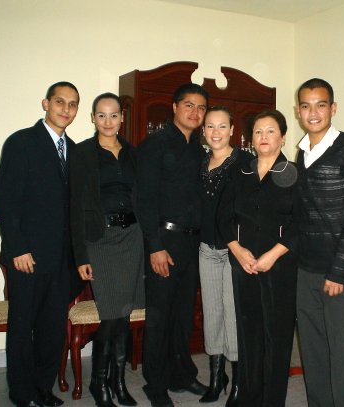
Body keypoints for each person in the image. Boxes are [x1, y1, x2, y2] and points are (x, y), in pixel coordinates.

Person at [0, 81, 79, 407]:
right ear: (45, 103)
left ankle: (43, 388)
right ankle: (21, 392)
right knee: (22, 326)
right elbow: (7, 199)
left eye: (72, 104)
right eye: (60, 101)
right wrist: (17, 248)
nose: (65, 109)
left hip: (61, 259)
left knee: (52, 328)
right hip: (27, 256)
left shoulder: (74, 149)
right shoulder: (21, 143)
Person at [294, 78, 344, 407]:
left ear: (333, 108)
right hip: (306, 269)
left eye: (321, 104)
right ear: (298, 111)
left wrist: (338, 271)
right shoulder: (300, 153)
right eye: (307, 105)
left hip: (342, 272)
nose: (313, 112)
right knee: (313, 351)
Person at [217, 109, 299, 407]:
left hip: (279, 266)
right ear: (250, 138)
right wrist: (238, 251)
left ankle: (270, 400)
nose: (264, 137)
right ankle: (248, 396)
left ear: (283, 136)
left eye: (271, 131)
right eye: (258, 132)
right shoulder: (239, 172)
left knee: (276, 338)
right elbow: (223, 217)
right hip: (244, 264)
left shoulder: (294, 173)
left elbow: (300, 224)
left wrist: (272, 255)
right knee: (248, 332)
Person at [134, 83, 209, 407]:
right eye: (189, 105)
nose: (195, 112)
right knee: (160, 317)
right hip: (165, 242)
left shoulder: (200, 149)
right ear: (175, 107)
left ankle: (182, 374)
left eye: (201, 107)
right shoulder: (154, 145)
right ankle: (156, 384)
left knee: (183, 316)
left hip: (193, 243)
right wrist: (155, 247)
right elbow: (144, 200)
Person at [70, 92, 145, 407]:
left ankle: (117, 382)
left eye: (114, 115)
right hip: (100, 240)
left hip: (132, 237)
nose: (108, 121)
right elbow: (74, 207)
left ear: (122, 118)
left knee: (123, 314)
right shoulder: (82, 154)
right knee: (112, 315)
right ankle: (99, 383)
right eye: (101, 115)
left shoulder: (132, 153)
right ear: (92, 118)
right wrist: (80, 255)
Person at [198, 107, 252, 405]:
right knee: (212, 315)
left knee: (232, 316)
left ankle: (239, 383)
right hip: (206, 248)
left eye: (222, 126)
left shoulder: (245, 161)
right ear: (203, 130)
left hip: (234, 250)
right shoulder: (201, 160)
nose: (215, 132)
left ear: (232, 130)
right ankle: (217, 378)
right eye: (210, 126)